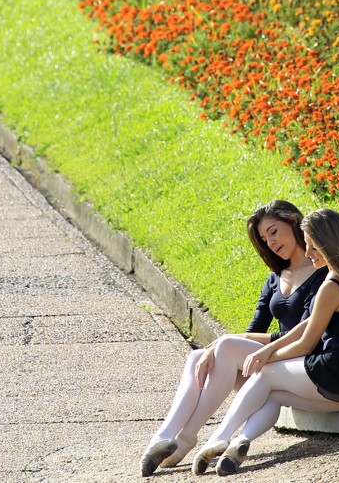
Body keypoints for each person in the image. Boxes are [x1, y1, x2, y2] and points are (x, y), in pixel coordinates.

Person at [190, 208, 339, 477]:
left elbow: (306, 344)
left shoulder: (331, 286)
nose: (308, 254)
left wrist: (266, 358)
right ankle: (240, 442)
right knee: (275, 394)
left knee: (267, 374)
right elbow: (307, 325)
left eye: (313, 246)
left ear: (330, 245)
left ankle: (220, 436)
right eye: (307, 246)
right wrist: (269, 348)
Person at [139, 200, 327, 477]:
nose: (271, 242)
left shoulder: (322, 272)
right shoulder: (275, 279)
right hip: (271, 364)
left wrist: (227, 342)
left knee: (225, 346)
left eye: (274, 231)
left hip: (300, 362)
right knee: (197, 357)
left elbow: (303, 332)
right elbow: (255, 327)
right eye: (265, 239)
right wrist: (218, 346)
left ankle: (185, 438)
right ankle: (168, 435)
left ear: (294, 222)